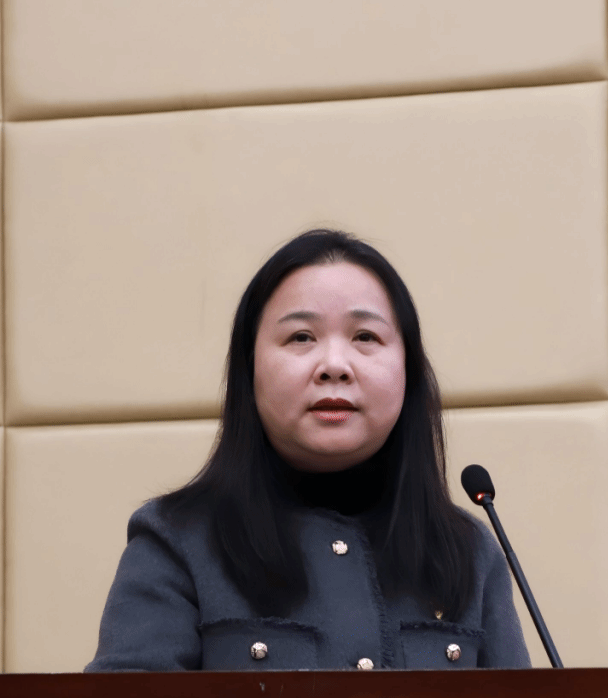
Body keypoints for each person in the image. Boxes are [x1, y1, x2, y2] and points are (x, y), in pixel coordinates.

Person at [88, 229, 530, 672]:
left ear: (408, 370)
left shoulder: (468, 553)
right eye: (301, 337)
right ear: (250, 368)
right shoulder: (176, 542)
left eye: (366, 337)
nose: (334, 366)